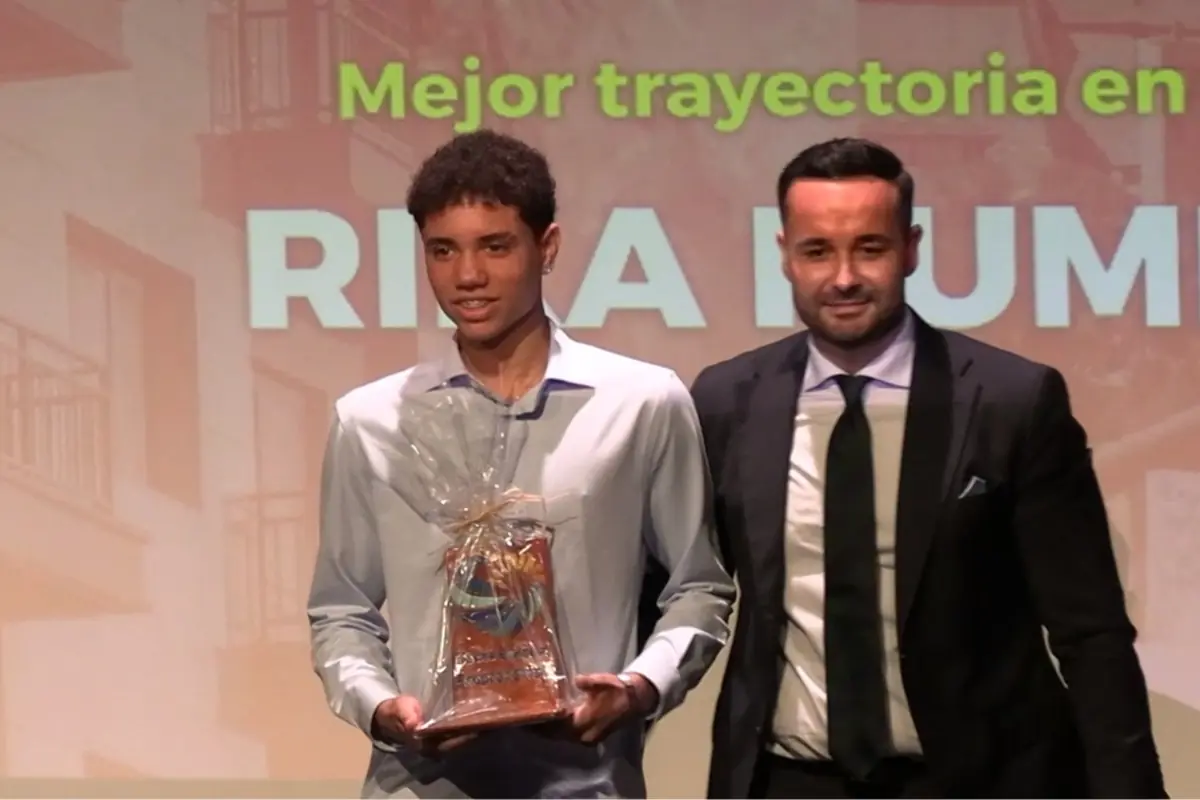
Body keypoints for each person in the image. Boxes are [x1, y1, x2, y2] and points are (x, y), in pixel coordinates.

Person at [692, 138, 1165, 798]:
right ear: (785, 255)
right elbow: (684, 588)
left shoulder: (1012, 401)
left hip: (980, 780)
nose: (845, 276)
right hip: (788, 781)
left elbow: (1090, 629)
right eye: (818, 251)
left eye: (871, 247)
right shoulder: (725, 401)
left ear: (911, 248)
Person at [307, 129, 735, 799]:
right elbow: (341, 610)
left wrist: (641, 686)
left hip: (585, 784)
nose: (467, 276)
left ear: (549, 247)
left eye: (495, 246)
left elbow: (699, 588)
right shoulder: (371, 422)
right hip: (420, 784)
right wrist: (382, 707)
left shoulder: (641, 403)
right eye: (443, 250)